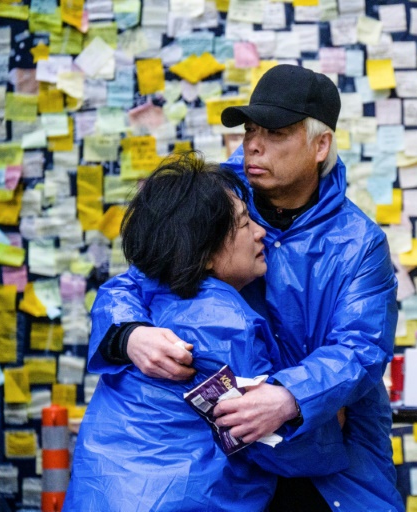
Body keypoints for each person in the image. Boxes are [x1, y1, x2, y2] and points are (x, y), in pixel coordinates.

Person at [89, 64, 402, 511]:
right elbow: (133, 283)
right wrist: (129, 335)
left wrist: (291, 396)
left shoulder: (360, 242)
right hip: (226, 464)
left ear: (321, 146)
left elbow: (361, 347)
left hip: (329, 456)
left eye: (275, 133)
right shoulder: (215, 199)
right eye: (250, 130)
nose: (253, 144)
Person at [66, 153, 348, 511]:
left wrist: (128, 335)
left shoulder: (151, 292)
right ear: (206, 253)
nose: (261, 232)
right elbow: (267, 441)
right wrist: (326, 417)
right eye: (245, 224)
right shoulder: (223, 326)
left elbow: (117, 290)